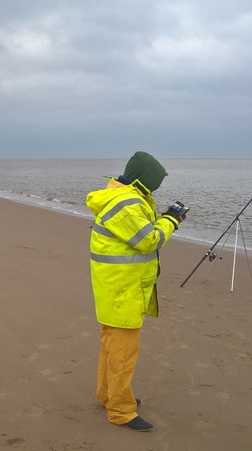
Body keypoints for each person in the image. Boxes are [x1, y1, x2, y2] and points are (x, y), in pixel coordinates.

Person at [85, 151, 186, 432]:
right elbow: (149, 240)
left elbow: (138, 235)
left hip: (116, 288)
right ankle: (120, 411)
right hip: (122, 291)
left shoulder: (123, 198)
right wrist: (172, 220)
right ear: (147, 180)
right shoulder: (127, 204)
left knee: (111, 347)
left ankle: (107, 397)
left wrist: (163, 217)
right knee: (122, 354)